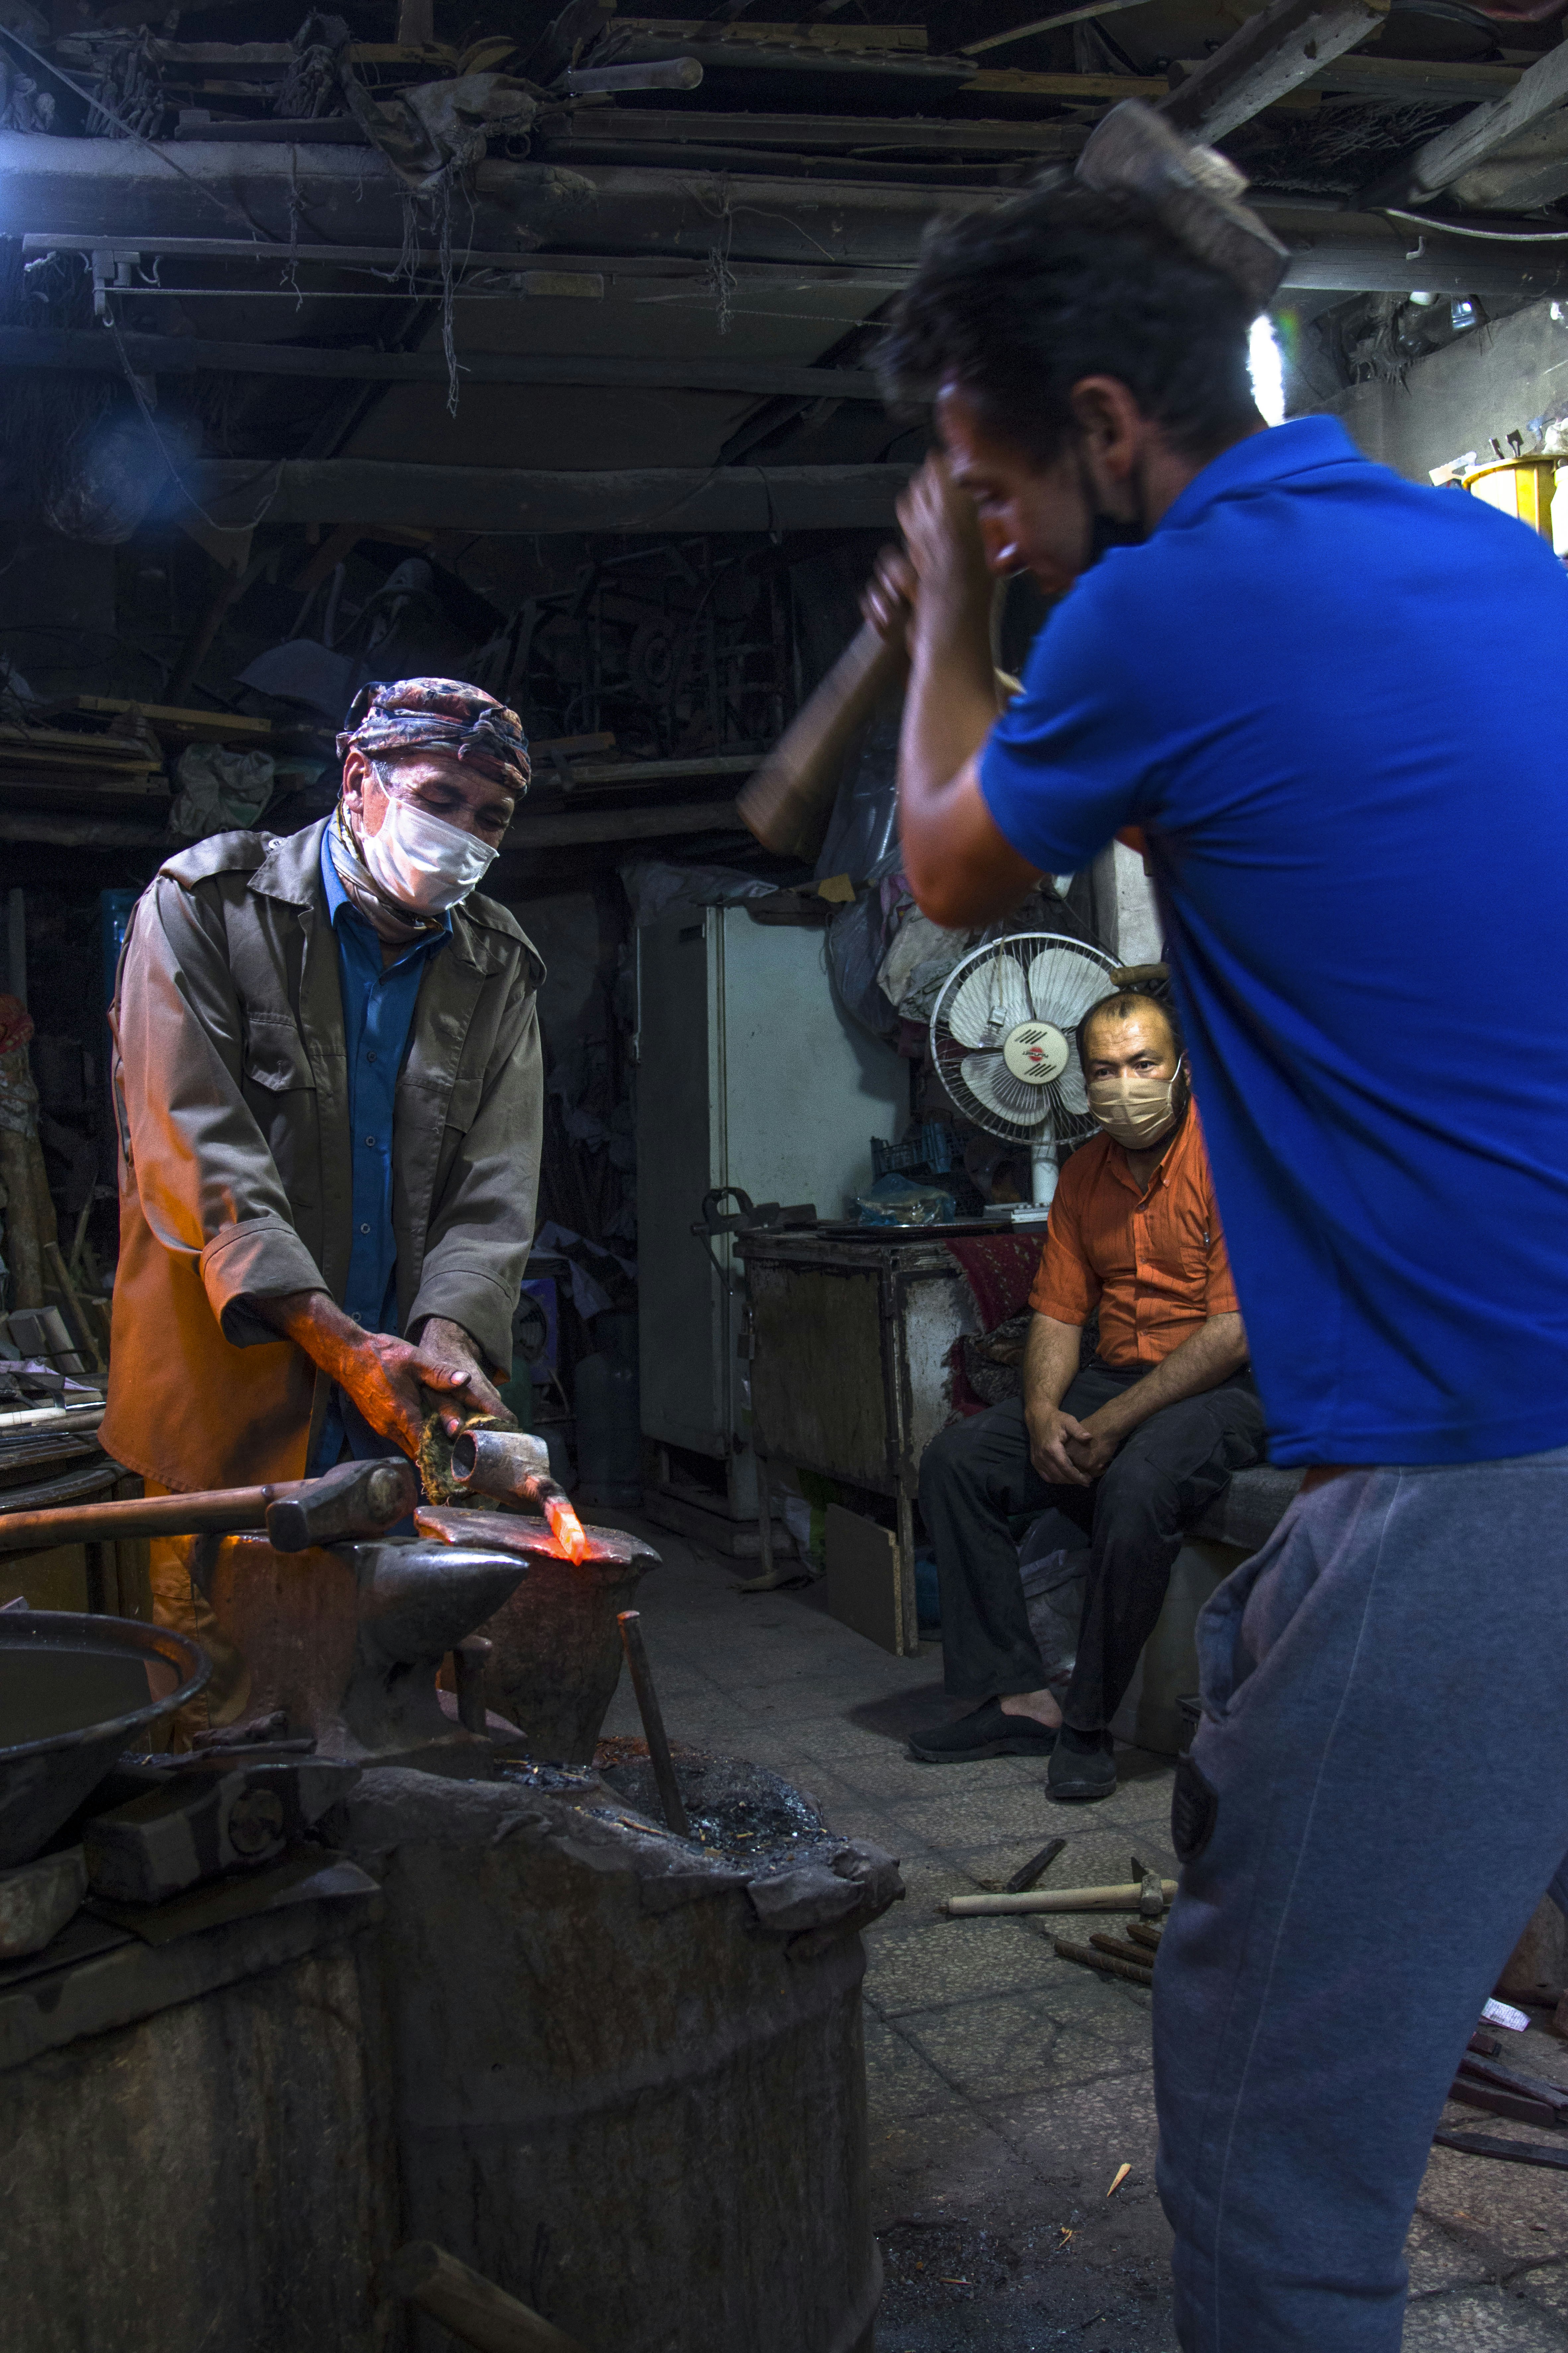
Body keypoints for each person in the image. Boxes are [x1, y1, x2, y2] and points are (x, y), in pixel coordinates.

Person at [866, 182, 1568, 2352]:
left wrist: (934, 624)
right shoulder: (1496, 557)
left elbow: (946, 860)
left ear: (1103, 427)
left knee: (1271, 2140)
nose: (1007, 533)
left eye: (1001, 490)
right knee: (1280, 1740)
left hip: (1497, 1447)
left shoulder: (1159, 619)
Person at [104, 677, 543, 1734]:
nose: (464, 837)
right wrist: (345, 1345)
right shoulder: (205, 907)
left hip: (394, 1431)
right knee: (225, 1729)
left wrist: (442, 1341)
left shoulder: (497, 964)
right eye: (441, 798)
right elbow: (199, 1154)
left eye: (491, 819)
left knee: (394, 1720)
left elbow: (495, 1186)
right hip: (227, 1415)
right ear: (359, 780)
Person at [914, 987, 1262, 1798]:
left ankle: (1087, 1722)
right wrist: (1042, 1415)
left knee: (1137, 1485)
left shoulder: (1233, 1158)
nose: (1124, 1085)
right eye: (1104, 1069)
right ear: (1081, 1082)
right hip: (1119, 1370)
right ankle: (1019, 1697)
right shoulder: (1082, 1174)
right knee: (959, 1461)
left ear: (1180, 1069)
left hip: (1231, 1383)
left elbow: (1231, 1330)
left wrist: (1108, 1423)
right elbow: (1059, 1313)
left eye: (1143, 1064)